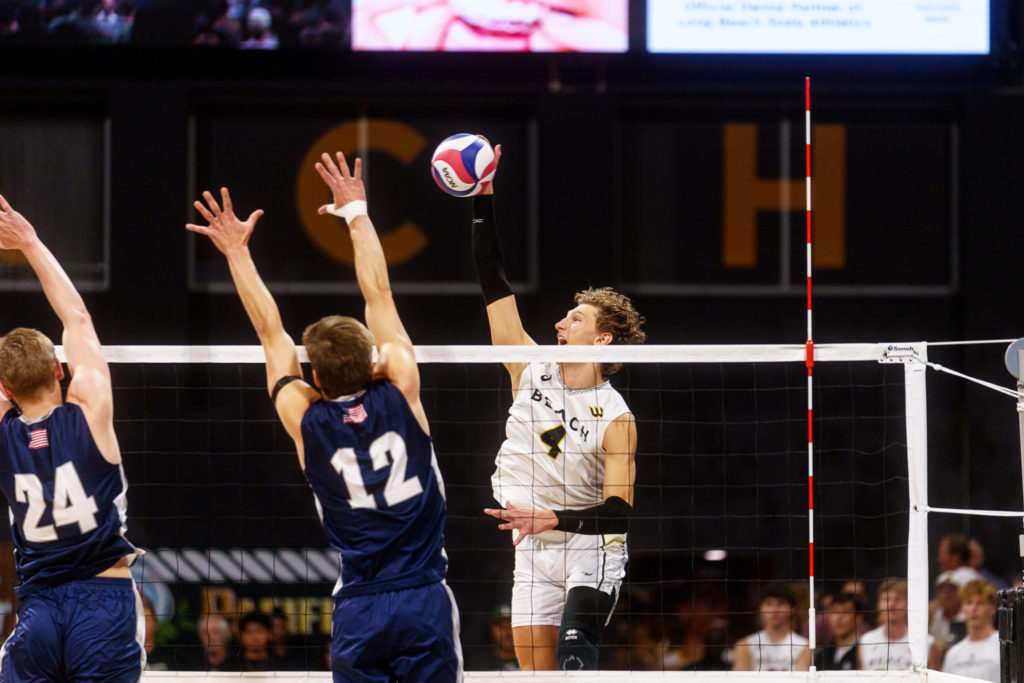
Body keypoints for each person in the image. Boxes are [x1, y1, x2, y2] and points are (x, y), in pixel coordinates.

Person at [187, 151, 462, 681]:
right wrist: (356, 212)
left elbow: (272, 335)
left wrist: (237, 253)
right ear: (374, 359)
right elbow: (377, 292)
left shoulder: (303, 416)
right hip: (424, 597)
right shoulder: (401, 384)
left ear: (316, 380)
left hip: (359, 605)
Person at [472, 143, 644, 671]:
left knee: (574, 661)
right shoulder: (529, 368)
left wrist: (552, 518)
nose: (559, 325)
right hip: (532, 548)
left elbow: (620, 513)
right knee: (535, 677)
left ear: (603, 341)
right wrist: (482, 202)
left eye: (574, 319)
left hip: (590, 547)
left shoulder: (617, 418)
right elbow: (493, 281)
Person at [0, 196, 144, 680]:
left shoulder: (3, 432)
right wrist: (29, 242)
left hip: (39, 607)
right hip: (102, 600)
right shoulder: (90, 407)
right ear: (59, 370)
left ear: (5, 390)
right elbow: (77, 318)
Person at [731, 584, 809, 671]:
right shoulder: (744, 645)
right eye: (769, 603)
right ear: (760, 608)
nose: (775, 609)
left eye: (781, 603)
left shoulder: (805, 646)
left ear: (792, 609)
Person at [859, 578, 933, 670]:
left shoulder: (926, 643)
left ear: (909, 605)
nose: (892, 604)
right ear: (878, 605)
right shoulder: (866, 641)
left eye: (898, 599)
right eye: (886, 599)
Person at [942, 580, 999, 682]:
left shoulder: (1003, 647)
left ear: (993, 608)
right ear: (962, 608)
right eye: (969, 603)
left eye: (980, 603)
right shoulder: (953, 653)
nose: (974, 608)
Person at [797, 592, 863, 670]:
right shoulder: (822, 654)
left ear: (858, 618)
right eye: (834, 612)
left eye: (845, 612)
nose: (839, 618)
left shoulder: (863, 651)